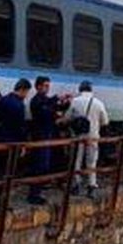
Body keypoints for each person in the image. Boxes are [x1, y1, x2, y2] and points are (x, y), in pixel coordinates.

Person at [0, 78, 32, 208]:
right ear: (23, 90)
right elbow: (20, 127)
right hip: (12, 143)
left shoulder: (4, 99)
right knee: (8, 173)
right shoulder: (19, 105)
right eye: (27, 92)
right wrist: (23, 145)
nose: (26, 95)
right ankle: (3, 202)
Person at [28, 76, 69, 205]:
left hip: (48, 135)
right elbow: (46, 110)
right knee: (40, 165)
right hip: (41, 137)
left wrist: (64, 103)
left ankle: (37, 191)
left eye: (48, 85)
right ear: (38, 86)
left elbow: (54, 108)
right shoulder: (36, 100)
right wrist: (57, 100)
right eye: (45, 85)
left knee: (44, 165)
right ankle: (34, 194)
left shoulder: (45, 100)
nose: (47, 88)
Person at [66, 80, 109, 198]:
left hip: (78, 136)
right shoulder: (98, 103)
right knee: (92, 162)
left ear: (80, 89)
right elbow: (105, 121)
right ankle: (91, 186)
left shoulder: (75, 101)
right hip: (93, 137)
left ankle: (77, 185)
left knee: (77, 161)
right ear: (91, 90)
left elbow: (68, 117)